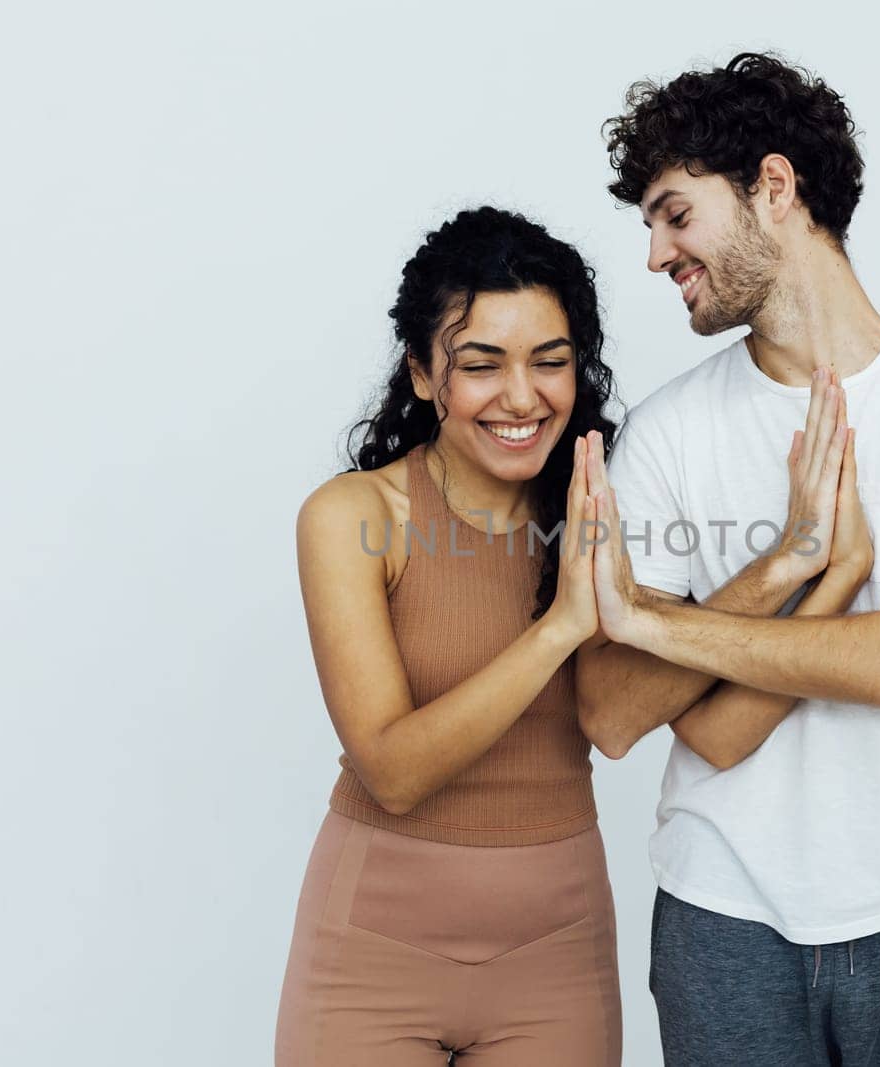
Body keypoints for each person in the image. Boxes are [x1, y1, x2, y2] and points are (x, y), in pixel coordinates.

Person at [575, 53, 880, 1065]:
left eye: (674, 214)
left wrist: (659, 621)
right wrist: (804, 566)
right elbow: (615, 711)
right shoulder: (663, 435)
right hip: (723, 916)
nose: (656, 254)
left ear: (774, 187)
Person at [275, 206, 622, 1066]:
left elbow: (623, 720)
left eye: (551, 362)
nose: (520, 396)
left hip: (558, 955)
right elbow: (390, 768)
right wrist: (559, 628)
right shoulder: (354, 516)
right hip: (371, 953)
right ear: (425, 375)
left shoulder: (603, 508)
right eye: (480, 365)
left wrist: (810, 570)